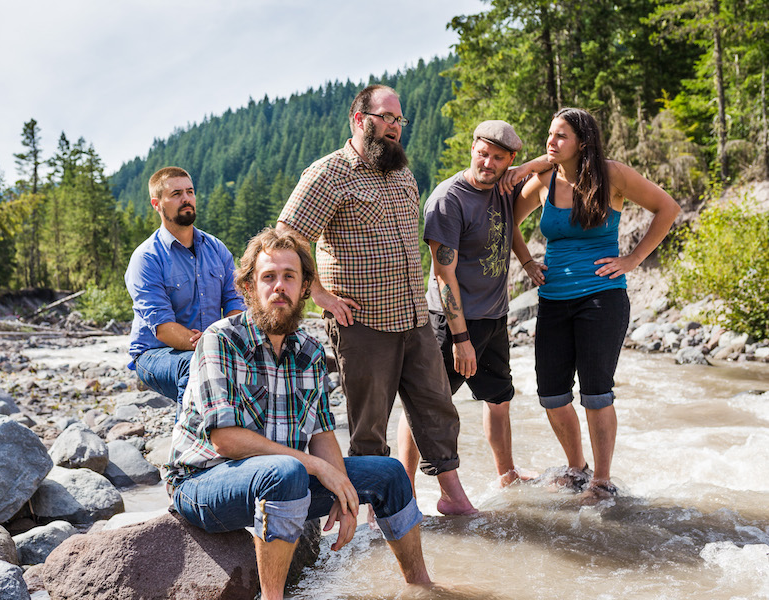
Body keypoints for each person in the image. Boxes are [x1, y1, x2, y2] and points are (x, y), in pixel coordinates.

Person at [168, 229, 433, 600]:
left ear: (305, 287)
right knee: (288, 470)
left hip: (280, 480)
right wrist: (318, 468)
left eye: (289, 277)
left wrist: (344, 492)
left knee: (388, 473)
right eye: (268, 277)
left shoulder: (308, 350)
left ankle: (423, 587)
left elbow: (322, 433)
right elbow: (224, 439)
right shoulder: (221, 340)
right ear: (248, 287)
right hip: (203, 482)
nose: (279, 287)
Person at [277, 84, 477, 515]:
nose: (393, 126)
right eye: (385, 117)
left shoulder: (402, 171)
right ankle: (371, 514)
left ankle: (452, 495)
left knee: (436, 406)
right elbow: (289, 236)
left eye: (399, 119)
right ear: (359, 119)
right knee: (369, 425)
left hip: (414, 315)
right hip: (363, 323)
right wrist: (321, 296)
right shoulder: (328, 173)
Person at [511, 107, 680, 499]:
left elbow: (666, 208)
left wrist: (632, 260)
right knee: (551, 394)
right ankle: (576, 468)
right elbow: (507, 221)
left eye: (560, 136)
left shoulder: (612, 175)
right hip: (553, 300)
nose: (551, 142)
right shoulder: (544, 180)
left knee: (596, 392)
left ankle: (601, 482)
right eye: (549, 135)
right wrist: (526, 261)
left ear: (582, 142)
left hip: (602, 298)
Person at [398, 120, 548, 488]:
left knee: (499, 399)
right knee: (425, 405)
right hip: (450, 322)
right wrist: (460, 338)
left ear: (510, 160)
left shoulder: (504, 190)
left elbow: (557, 164)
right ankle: (405, 488)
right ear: (472, 148)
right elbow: (443, 276)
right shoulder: (448, 199)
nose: (488, 163)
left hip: (494, 318)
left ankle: (506, 475)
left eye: (498, 158)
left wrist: (526, 168)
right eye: (483, 153)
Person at [125, 166, 245, 408]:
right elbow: (163, 328)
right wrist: (211, 346)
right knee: (194, 366)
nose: (186, 198)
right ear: (157, 204)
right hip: (155, 354)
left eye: (190, 191)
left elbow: (235, 302)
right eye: (176, 193)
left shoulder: (216, 248)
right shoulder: (147, 257)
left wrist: (230, 341)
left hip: (213, 346)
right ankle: (187, 443)